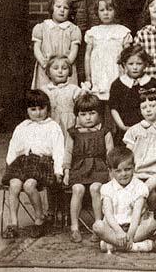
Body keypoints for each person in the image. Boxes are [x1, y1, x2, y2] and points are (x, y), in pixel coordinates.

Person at [1, 90, 64, 239]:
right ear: (27, 110)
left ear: (47, 108)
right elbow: (13, 147)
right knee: (14, 184)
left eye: (41, 108)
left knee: (29, 185)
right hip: (22, 162)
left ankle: (39, 219)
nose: (38, 113)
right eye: (33, 109)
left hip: (42, 163)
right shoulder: (22, 126)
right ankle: (13, 223)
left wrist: (58, 170)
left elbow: (58, 150)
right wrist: (10, 165)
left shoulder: (53, 126)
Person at [93, 147, 156, 253]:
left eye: (127, 169)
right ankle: (139, 246)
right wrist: (119, 232)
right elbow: (108, 214)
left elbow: (136, 214)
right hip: (114, 229)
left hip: (135, 228)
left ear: (134, 167)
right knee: (97, 225)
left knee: (152, 224)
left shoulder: (140, 187)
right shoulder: (107, 188)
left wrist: (130, 236)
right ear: (110, 171)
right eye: (118, 171)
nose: (123, 174)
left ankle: (113, 246)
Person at [64, 94, 114, 243]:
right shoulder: (73, 133)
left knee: (96, 188)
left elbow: (110, 154)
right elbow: (68, 153)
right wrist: (67, 171)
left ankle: (98, 226)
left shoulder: (105, 131)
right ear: (77, 115)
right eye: (83, 114)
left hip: (99, 167)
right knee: (77, 189)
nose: (88, 118)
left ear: (99, 114)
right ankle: (74, 227)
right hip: (79, 168)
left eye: (92, 113)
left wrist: (111, 172)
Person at [109, 45, 156, 143]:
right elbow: (114, 108)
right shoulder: (117, 84)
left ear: (145, 64)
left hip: (150, 130)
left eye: (139, 63)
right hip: (126, 129)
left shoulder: (153, 83)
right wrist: (122, 127)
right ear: (124, 64)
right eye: (131, 64)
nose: (135, 67)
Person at [83, 0, 133, 101]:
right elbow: (87, 55)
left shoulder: (122, 31)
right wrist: (88, 77)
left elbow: (128, 55)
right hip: (99, 70)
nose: (106, 13)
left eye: (109, 10)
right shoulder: (93, 32)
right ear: (97, 12)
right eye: (102, 10)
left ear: (115, 11)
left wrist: (128, 74)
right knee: (98, 100)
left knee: (115, 98)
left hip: (115, 70)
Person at [31, 0, 80, 89]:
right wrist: (44, 63)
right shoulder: (42, 27)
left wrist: (67, 64)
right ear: (51, 8)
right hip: (46, 67)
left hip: (64, 68)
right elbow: (36, 48)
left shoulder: (72, 29)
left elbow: (74, 49)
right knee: (45, 92)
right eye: (58, 6)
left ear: (70, 11)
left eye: (66, 8)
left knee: (67, 91)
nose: (62, 10)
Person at [40, 55, 85, 141]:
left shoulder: (74, 89)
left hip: (69, 124)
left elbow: (82, 108)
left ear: (69, 71)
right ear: (48, 72)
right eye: (56, 68)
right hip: (51, 122)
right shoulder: (44, 90)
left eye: (64, 68)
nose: (60, 71)